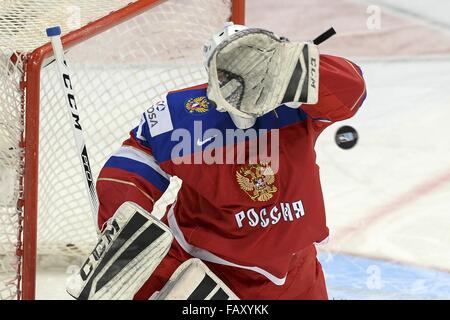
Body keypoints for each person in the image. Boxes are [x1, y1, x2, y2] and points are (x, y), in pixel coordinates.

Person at [95, 23, 366, 300]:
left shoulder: (297, 107)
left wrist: (292, 66)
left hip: (294, 272)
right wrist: (122, 229)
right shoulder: (180, 114)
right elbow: (132, 165)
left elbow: (354, 90)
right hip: (197, 268)